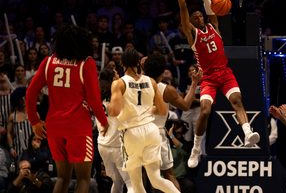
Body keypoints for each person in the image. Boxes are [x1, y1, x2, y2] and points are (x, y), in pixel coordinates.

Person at [173, 0, 260, 168]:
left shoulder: (214, 26)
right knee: (205, 111)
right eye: (194, 17)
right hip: (209, 78)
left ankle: (247, 134)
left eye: (199, 15)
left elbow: (207, 2)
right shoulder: (192, 34)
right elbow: (183, 7)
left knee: (237, 100)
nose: (198, 17)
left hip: (225, 73)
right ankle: (196, 148)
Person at [25, 24, 109, 193]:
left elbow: (30, 93)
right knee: (83, 179)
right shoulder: (86, 63)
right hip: (78, 127)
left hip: (54, 127)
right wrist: (104, 122)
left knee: (63, 178)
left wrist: (34, 121)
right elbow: (93, 100)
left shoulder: (49, 62)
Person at [108, 48, 180, 193]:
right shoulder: (151, 81)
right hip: (151, 130)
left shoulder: (119, 83)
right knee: (156, 179)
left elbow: (113, 112)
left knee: (136, 183)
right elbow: (163, 110)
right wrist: (144, 110)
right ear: (138, 63)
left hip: (132, 133)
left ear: (121, 63)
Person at [143, 53, 200, 191]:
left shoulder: (134, 86)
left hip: (139, 132)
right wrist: (194, 83)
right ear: (163, 71)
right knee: (168, 175)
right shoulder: (167, 90)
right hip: (157, 133)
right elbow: (186, 105)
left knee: (144, 176)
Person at [96, 67, 134, 193]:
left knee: (117, 181)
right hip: (117, 145)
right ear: (113, 79)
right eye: (117, 74)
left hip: (102, 145)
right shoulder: (118, 96)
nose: (119, 75)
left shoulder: (97, 95)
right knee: (132, 183)